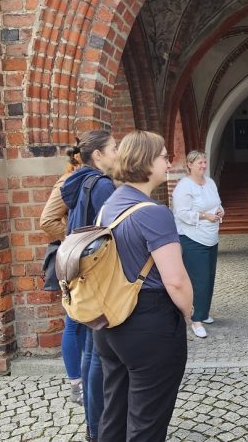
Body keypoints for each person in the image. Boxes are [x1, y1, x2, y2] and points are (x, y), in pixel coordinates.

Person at [95, 130, 194, 441]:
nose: (169, 161)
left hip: (109, 322)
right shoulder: (154, 214)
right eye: (164, 156)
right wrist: (188, 313)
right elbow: (175, 280)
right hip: (148, 325)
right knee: (147, 423)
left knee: (115, 413)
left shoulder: (109, 206)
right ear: (145, 162)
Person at [59, 130, 118, 442]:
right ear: (98, 155)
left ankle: (94, 426)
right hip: (97, 274)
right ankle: (97, 430)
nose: (117, 153)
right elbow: (116, 231)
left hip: (79, 272)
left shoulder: (78, 180)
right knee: (96, 355)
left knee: (90, 352)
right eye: (113, 148)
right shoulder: (103, 185)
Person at [40, 158, 82, 404]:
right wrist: (77, 237)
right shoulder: (68, 181)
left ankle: (84, 378)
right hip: (74, 258)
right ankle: (76, 383)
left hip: (84, 257)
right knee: (74, 320)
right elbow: (47, 221)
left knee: (83, 321)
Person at [172, 150, 224, 339]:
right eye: (199, 163)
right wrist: (204, 216)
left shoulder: (210, 182)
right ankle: (195, 319)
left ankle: (203, 312)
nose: (203, 165)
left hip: (211, 237)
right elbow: (181, 213)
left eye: (204, 162)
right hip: (193, 239)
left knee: (209, 278)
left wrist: (219, 212)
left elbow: (217, 203)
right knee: (198, 280)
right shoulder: (184, 187)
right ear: (189, 165)